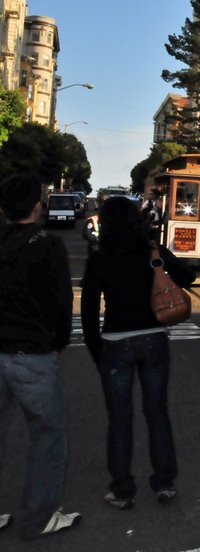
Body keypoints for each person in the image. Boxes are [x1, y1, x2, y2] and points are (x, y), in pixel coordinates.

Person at [81, 196, 195, 510]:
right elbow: (188, 278)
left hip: (116, 343)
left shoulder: (99, 259)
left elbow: (89, 312)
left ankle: (122, 489)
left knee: (119, 419)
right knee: (157, 413)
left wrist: (97, 353)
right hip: (154, 339)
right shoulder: (151, 252)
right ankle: (164, 482)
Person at [0, 174, 80, 540]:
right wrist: (56, 343)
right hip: (31, 354)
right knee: (48, 435)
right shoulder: (48, 245)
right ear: (37, 205)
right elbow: (62, 304)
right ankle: (37, 517)